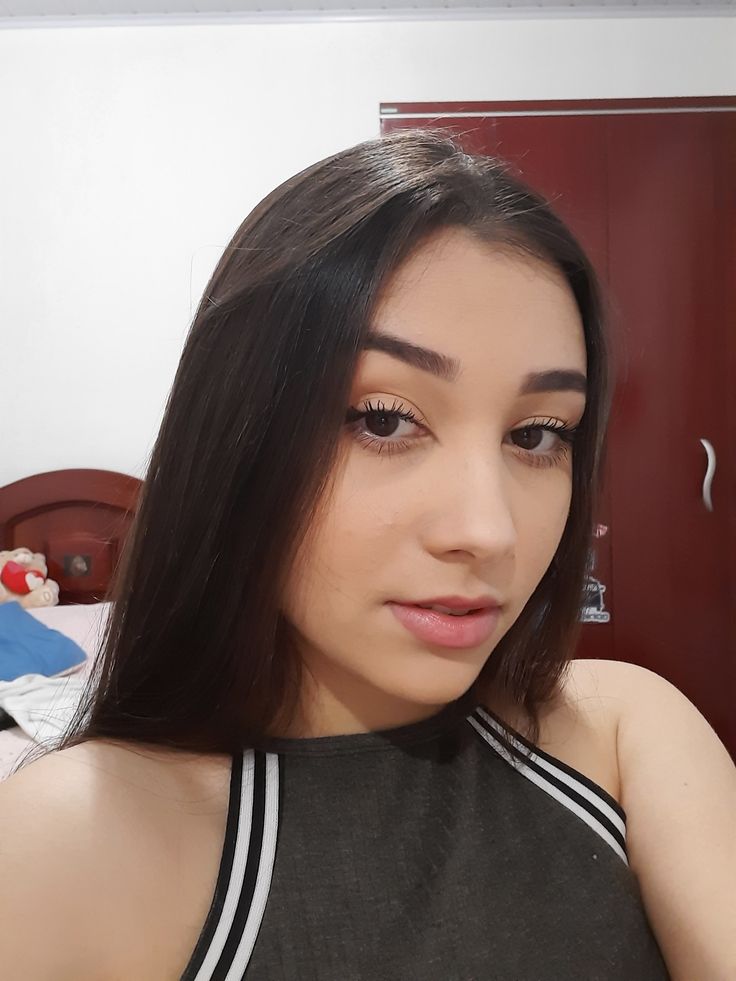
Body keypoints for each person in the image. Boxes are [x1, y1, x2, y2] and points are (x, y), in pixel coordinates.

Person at [1, 129, 734, 981]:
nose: (489, 529)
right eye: (385, 419)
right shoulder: (77, 836)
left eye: (538, 434)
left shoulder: (626, 730)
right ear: (238, 440)